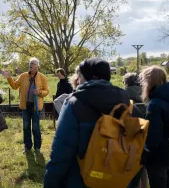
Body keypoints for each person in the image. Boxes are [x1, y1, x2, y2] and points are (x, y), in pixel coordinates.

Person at [44, 57, 130, 188]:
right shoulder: (124, 100)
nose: (77, 79)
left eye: (79, 75)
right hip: (115, 178)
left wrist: (51, 182)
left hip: (80, 179)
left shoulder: (75, 103)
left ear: (86, 76)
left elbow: (61, 152)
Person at [139, 65, 169, 188]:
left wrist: (145, 155)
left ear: (149, 82)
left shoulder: (155, 104)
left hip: (159, 157)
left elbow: (153, 137)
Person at [2, 57, 49, 154]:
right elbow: (15, 86)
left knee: (36, 128)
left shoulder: (43, 77)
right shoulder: (23, 76)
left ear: (37, 66)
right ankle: (27, 147)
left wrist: (39, 92)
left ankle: (37, 148)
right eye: (30, 63)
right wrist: (9, 78)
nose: (30, 64)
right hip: (25, 106)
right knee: (26, 127)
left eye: (33, 63)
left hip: (36, 107)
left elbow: (46, 91)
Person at [124, 72, 148, 188]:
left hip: (131, 136)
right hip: (146, 135)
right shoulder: (146, 93)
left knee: (132, 172)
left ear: (126, 83)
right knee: (143, 169)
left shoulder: (124, 95)